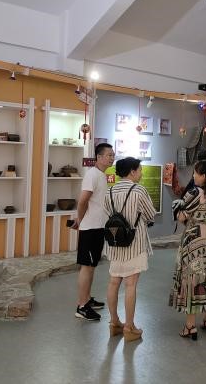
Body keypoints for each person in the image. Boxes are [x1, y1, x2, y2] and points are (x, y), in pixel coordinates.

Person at [169, 160, 206, 340]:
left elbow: (181, 217)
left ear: (204, 176)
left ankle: (190, 326)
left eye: (195, 173)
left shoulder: (194, 193)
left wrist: (176, 207)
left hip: (194, 243)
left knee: (192, 279)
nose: (193, 176)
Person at [104, 157, 156, 342]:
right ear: (132, 171)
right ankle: (129, 327)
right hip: (134, 242)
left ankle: (114, 323)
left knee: (113, 282)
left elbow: (108, 214)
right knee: (131, 284)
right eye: (140, 170)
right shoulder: (139, 190)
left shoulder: (109, 191)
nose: (141, 173)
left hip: (115, 242)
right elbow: (150, 214)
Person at [74, 142, 115, 321]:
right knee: (87, 267)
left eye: (113, 155)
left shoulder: (101, 175)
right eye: (109, 155)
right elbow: (83, 201)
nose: (112, 158)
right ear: (99, 157)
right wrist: (80, 220)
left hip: (98, 227)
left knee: (92, 266)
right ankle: (82, 306)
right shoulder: (92, 174)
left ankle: (87, 298)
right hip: (90, 228)